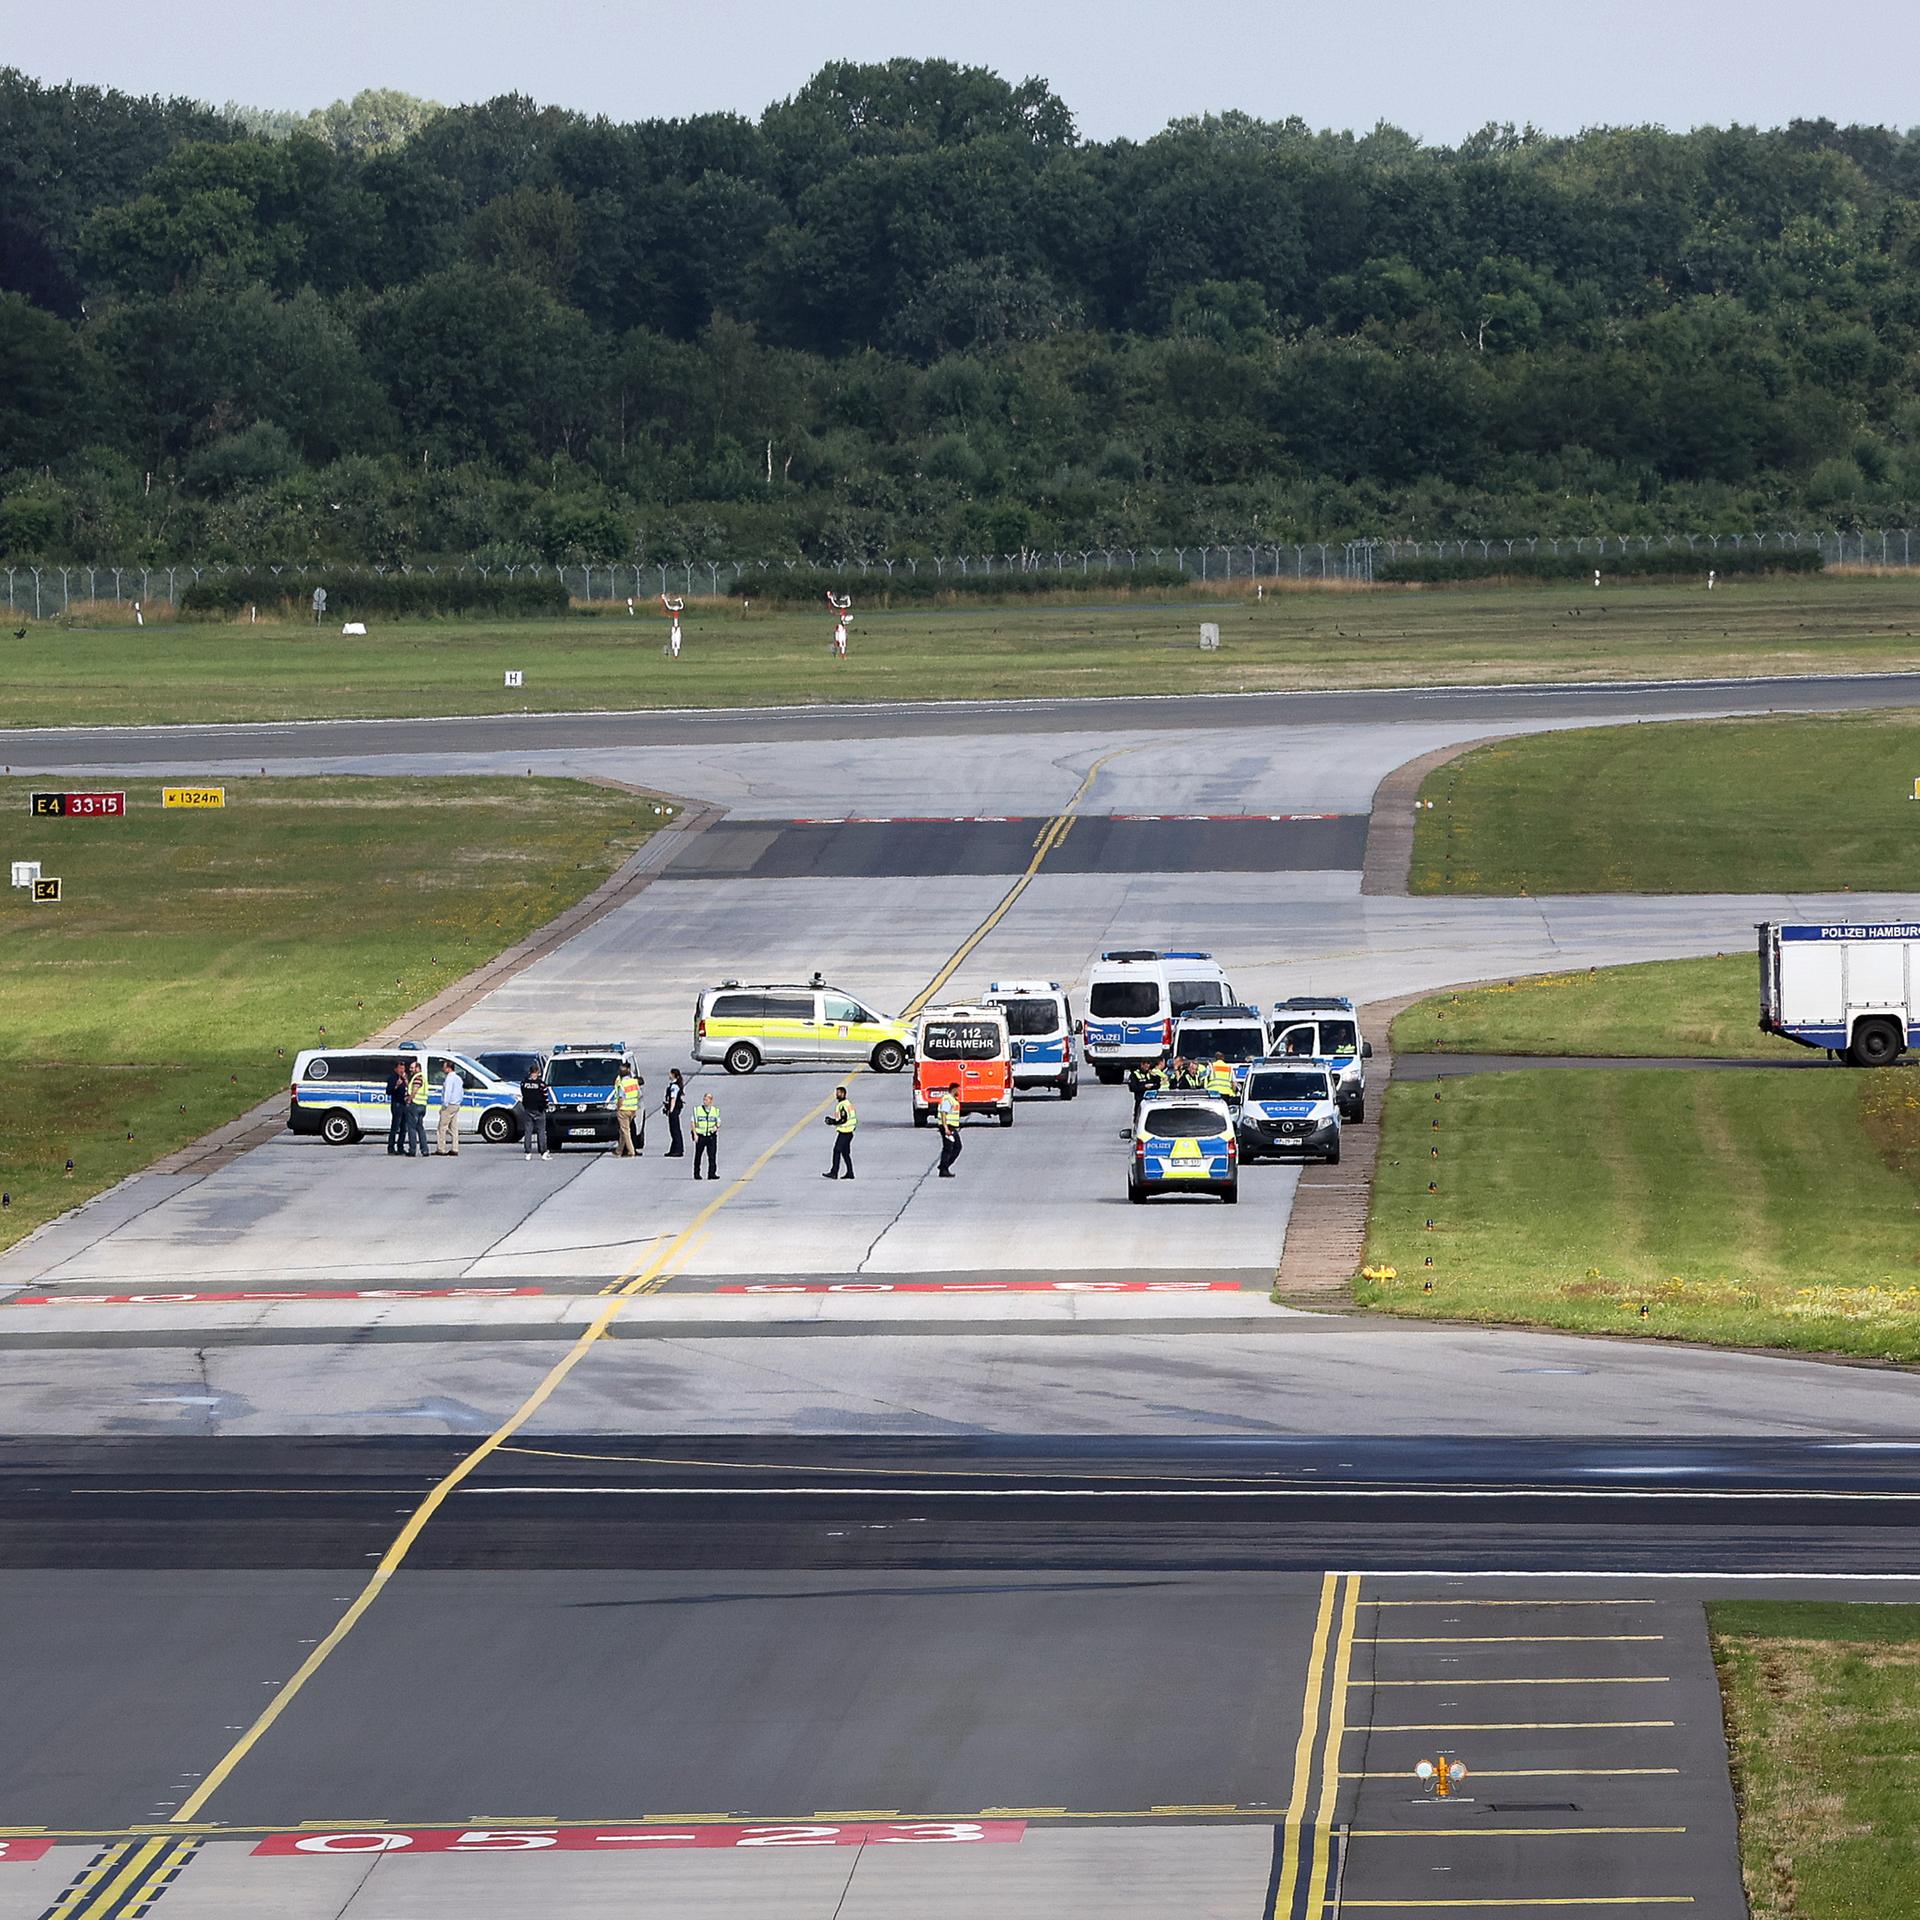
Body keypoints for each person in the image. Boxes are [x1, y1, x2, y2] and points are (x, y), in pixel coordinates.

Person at [519, 1063, 553, 1160]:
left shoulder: (524, 1083)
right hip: (539, 1109)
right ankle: (543, 1152)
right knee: (541, 1131)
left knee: (528, 1131)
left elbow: (523, 1093)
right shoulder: (541, 1084)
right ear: (538, 1072)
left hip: (528, 1109)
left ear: (530, 1072)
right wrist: (545, 1106)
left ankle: (528, 1153)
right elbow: (545, 1097)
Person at [824, 1086, 856, 1179]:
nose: (836, 1095)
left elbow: (843, 1119)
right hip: (849, 1132)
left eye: (838, 1093)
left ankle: (834, 1172)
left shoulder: (842, 1105)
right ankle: (850, 1173)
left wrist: (833, 1122)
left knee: (837, 1150)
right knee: (845, 1153)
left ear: (843, 1094)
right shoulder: (848, 1103)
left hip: (844, 1132)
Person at [436, 1061, 464, 1156]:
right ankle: (455, 1148)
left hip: (449, 1105)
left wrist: (444, 1104)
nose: (443, 1069)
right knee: (454, 1128)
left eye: (444, 1067)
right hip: (456, 1105)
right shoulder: (458, 1078)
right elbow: (461, 1092)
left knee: (442, 1127)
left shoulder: (449, 1079)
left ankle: (441, 1148)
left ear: (449, 1068)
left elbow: (447, 1092)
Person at [404, 1058, 430, 1159]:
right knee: (420, 1128)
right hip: (422, 1106)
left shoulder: (417, 1078)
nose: (410, 1069)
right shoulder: (421, 1077)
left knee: (412, 1128)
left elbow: (414, 1091)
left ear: (418, 1068)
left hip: (415, 1105)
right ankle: (425, 1150)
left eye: (412, 1068)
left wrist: (409, 1100)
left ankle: (412, 1150)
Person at [614, 1064, 642, 1158]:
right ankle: (619, 1151)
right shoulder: (634, 1082)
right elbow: (639, 1094)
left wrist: (618, 1108)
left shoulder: (622, 1084)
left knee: (626, 1131)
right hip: (632, 1109)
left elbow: (621, 1098)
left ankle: (631, 1151)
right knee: (623, 1131)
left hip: (623, 1109)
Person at [936, 1083, 963, 1177]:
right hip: (948, 1127)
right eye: (958, 1090)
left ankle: (944, 1166)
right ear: (954, 1089)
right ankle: (944, 1168)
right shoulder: (948, 1099)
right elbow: (944, 1113)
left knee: (957, 1147)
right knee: (948, 1148)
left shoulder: (953, 1100)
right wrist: (946, 1128)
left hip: (952, 1127)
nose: (959, 1091)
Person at [692, 1092, 720, 1180]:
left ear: (711, 1101)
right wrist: (695, 1134)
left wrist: (716, 1127)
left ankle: (712, 1173)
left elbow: (718, 1121)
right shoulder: (698, 1110)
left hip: (711, 1136)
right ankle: (697, 1173)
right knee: (698, 1155)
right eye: (704, 1099)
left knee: (712, 1155)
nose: (705, 1101)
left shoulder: (715, 1110)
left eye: (707, 1100)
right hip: (701, 1136)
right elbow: (693, 1123)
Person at [385, 1061, 410, 1157]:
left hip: (404, 1104)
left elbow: (408, 1089)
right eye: (400, 1068)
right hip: (397, 1104)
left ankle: (400, 1147)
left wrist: (406, 1081)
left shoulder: (405, 1078)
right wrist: (396, 1086)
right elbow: (388, 1091)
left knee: (404, 1128)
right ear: (396, 1069)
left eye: (403, 1069)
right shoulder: (392, 1078)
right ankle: (391, 1147)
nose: (402, 1070)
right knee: (395, 1127)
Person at [662, 1070, 686, 1157]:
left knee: (675, 1130)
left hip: (674, 1110)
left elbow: (673, 1098)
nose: (669, 1075)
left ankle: (678, 1150)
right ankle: (674, 1149)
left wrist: (671, 1110)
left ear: (674, 1075)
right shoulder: (674, 1085)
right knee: (674, 1130)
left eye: (670, 1074)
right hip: (674, 1110)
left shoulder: (674, 1086)